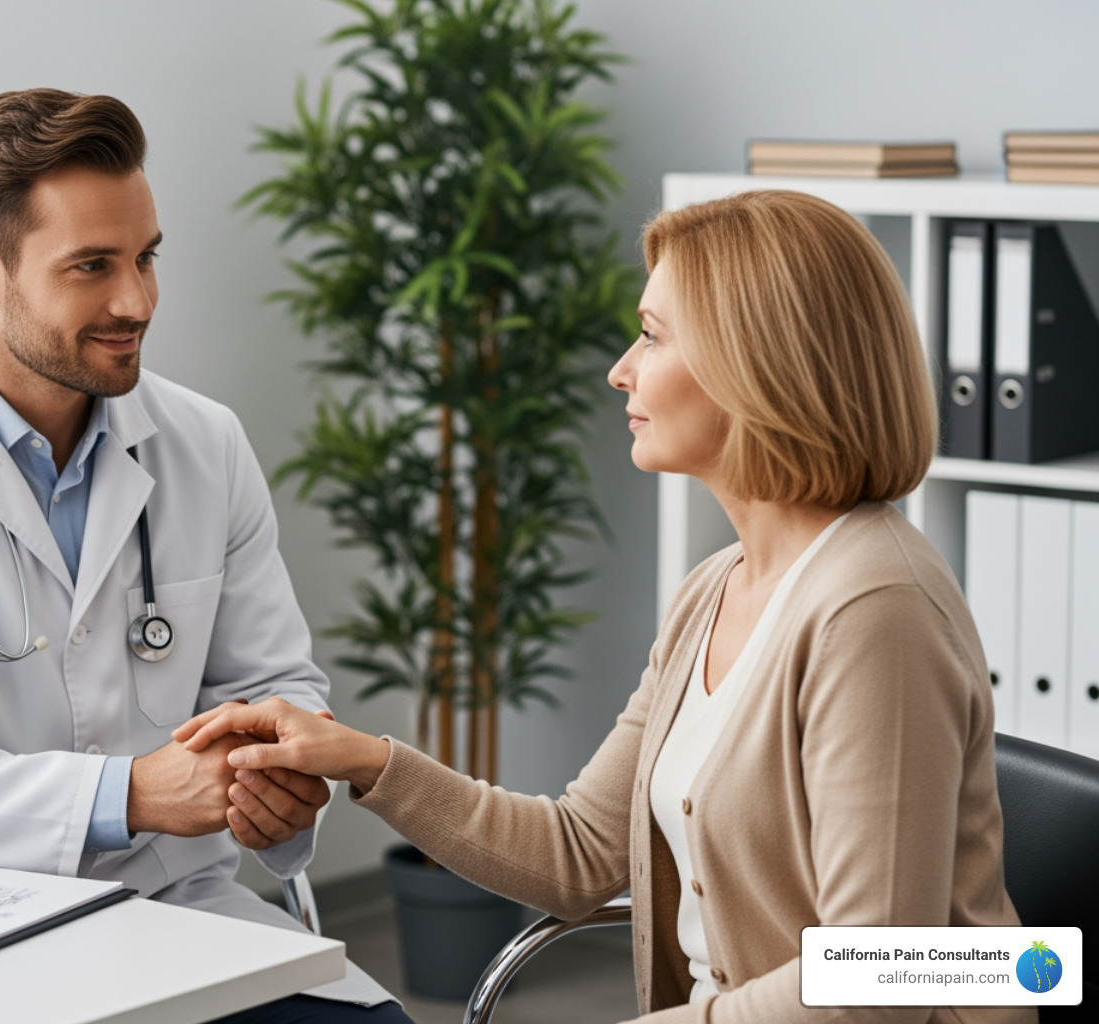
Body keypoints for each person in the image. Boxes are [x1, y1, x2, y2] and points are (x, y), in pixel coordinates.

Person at [176, 190, 1035, 1023]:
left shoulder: (873, 608)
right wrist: (363, 760)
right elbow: (583, 850)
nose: (620, 368)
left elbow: (872, 984)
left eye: (652, 336)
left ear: (758, 365)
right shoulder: (715, 589)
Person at [0, 89, 404, 1021]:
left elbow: (274, 682)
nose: (135, 301)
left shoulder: (204, 443)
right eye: (92, 266)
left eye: (146, 258)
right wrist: (127, 794)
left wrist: (279, 774)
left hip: (181, 914)